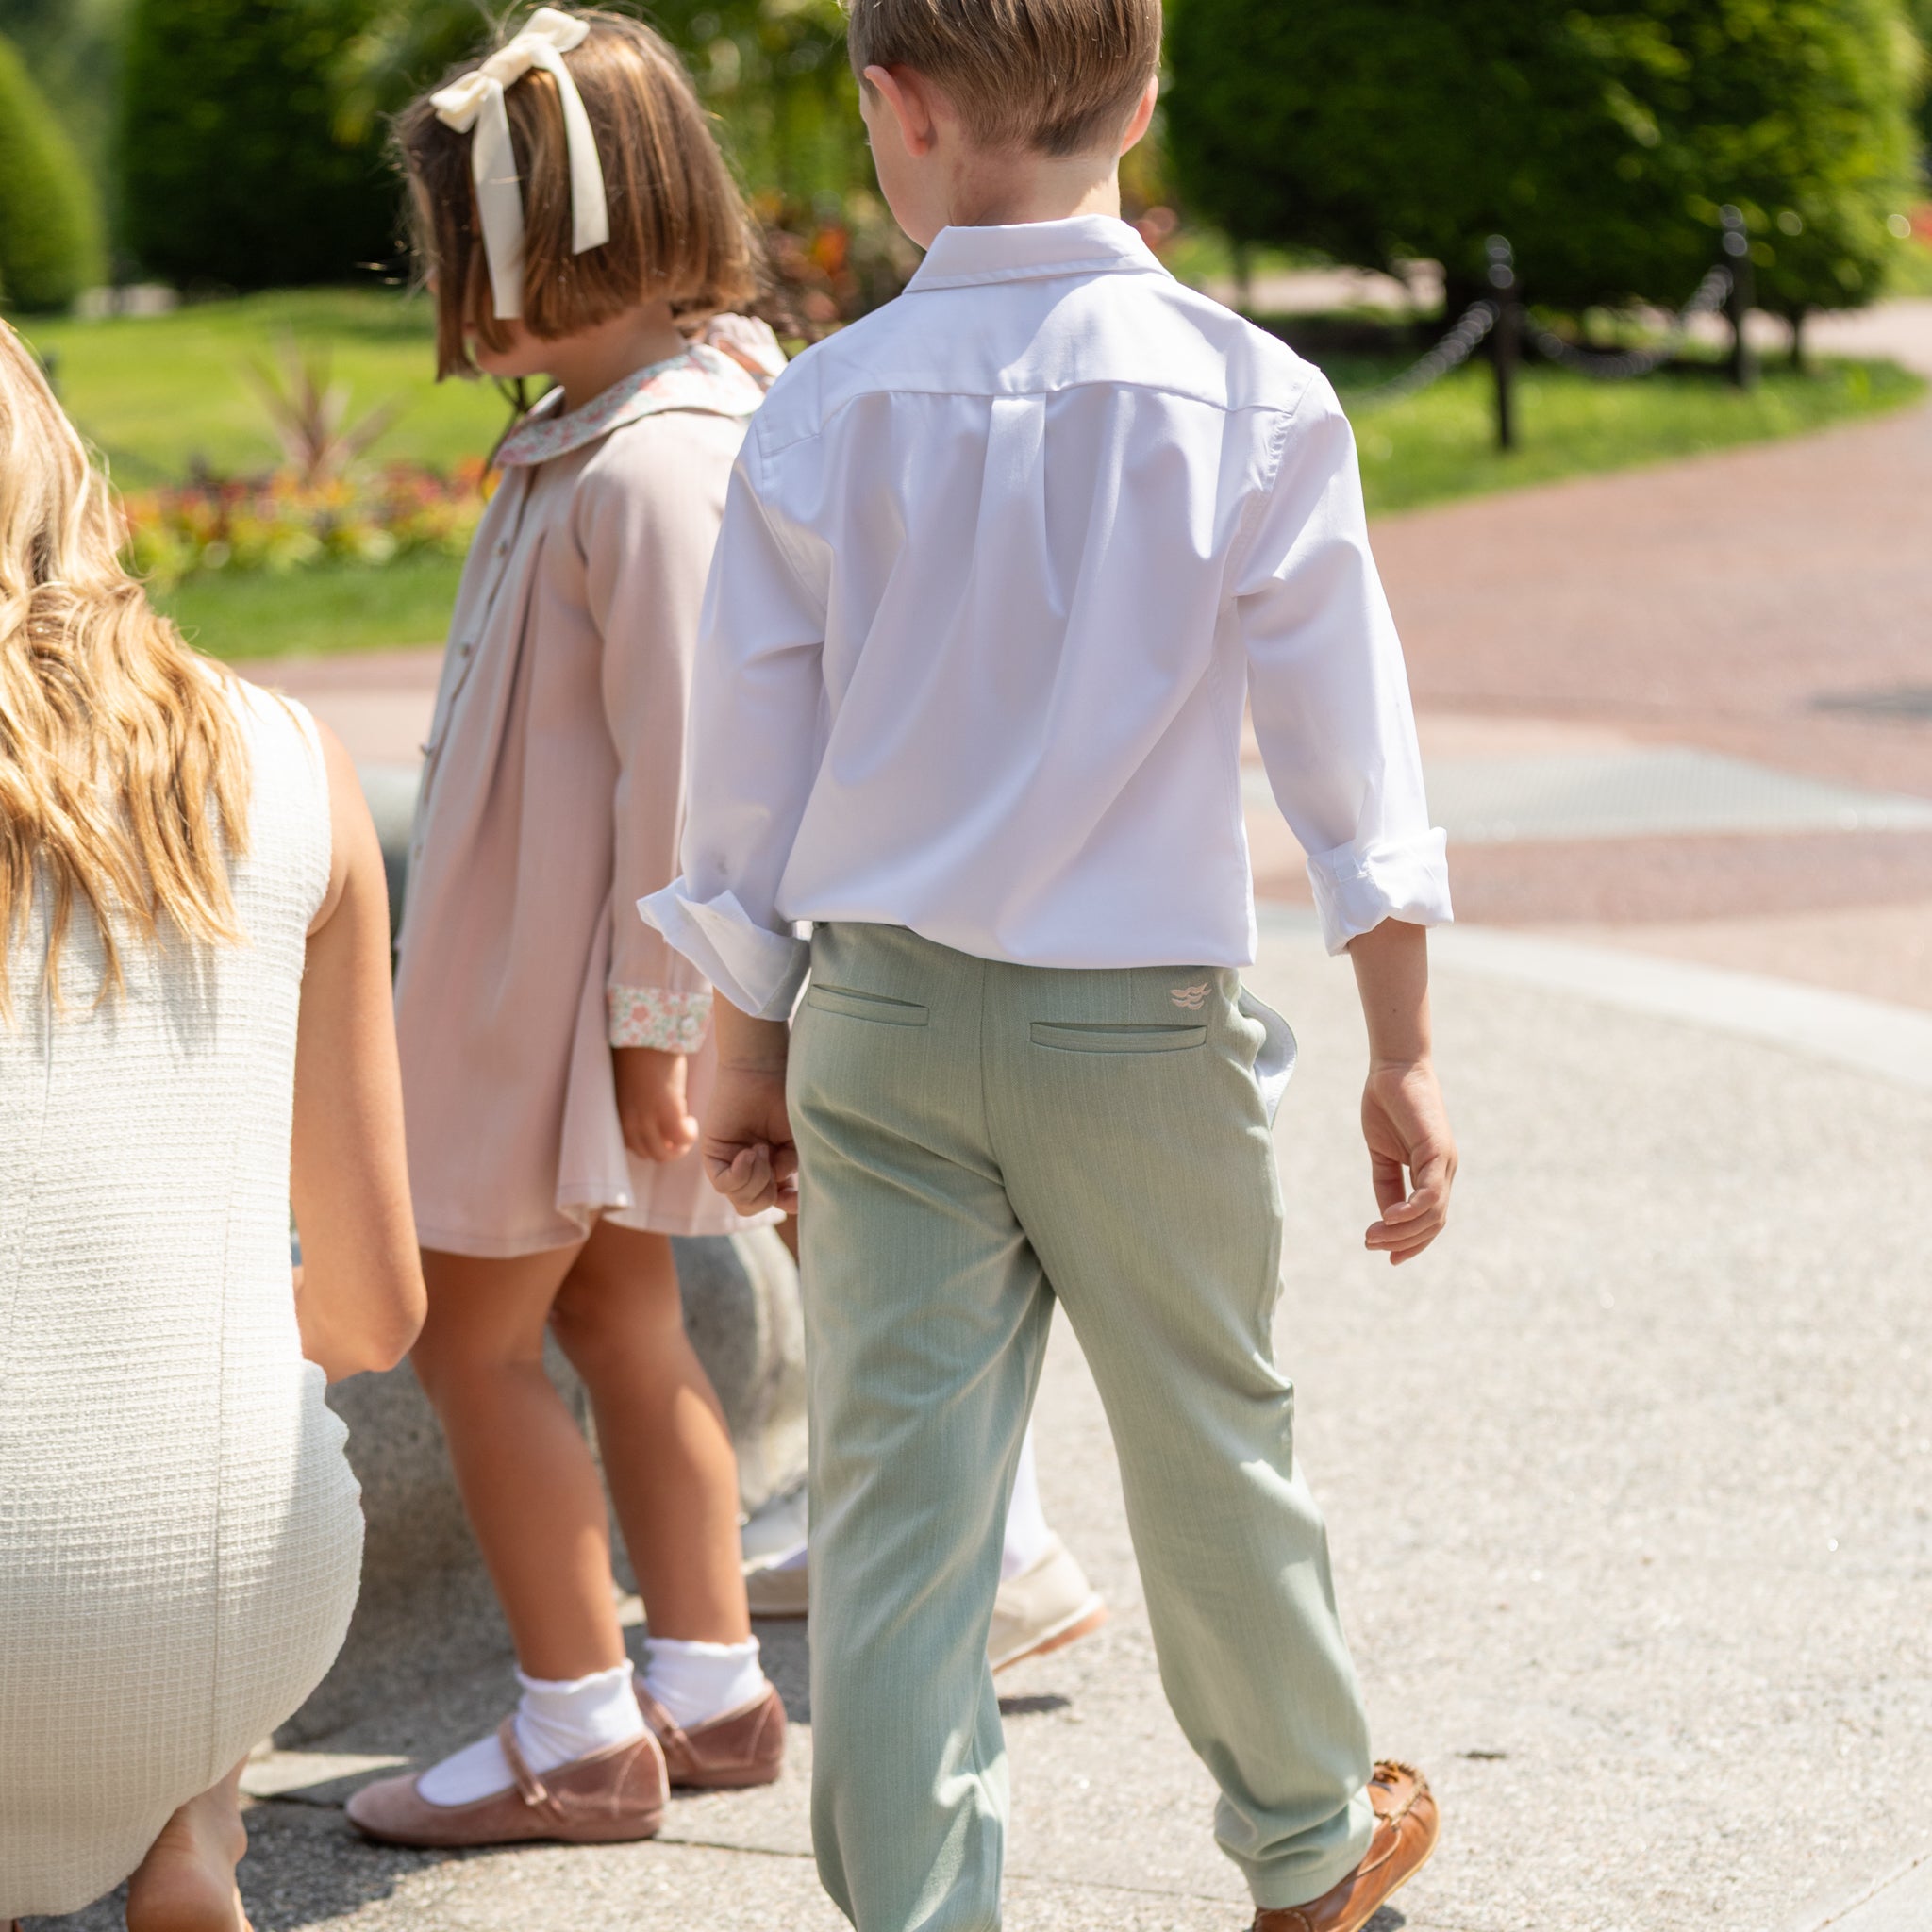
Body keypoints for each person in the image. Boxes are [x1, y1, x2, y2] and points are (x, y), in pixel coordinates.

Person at [641, 0, 1460, 1926]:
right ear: (1145, 101)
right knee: (1211, 1450)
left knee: (900, 1515)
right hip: (1141, 1036)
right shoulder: (1250, 393)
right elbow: (1354, 758)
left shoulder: (819, 410)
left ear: (892, 111)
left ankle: (924, 1908)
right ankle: (1305, 1850)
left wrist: (742, 1043)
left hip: (886, 1021)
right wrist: (1400, 1041)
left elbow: (745, 777)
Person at [344, 8, 787, 1851]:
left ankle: (576, 1727)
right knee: (617, 1311)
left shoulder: (655, 462)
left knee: (466, 1343)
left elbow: (694, 779)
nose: (451, 295)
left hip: (570, 1015)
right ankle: (705, 1682)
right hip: (565, 1001)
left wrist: (646, 1031)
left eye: (472, 253)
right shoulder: (600, 434)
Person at [0, 322, 425, 1929]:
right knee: (191, 1439)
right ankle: (193, 1825)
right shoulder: (295, 761)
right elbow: (378, 1313)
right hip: (229, 1593)